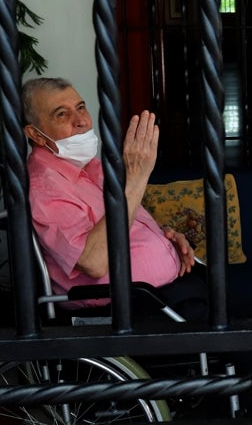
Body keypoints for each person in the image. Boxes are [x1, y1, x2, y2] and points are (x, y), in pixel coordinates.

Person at [22, 77, 208, 321]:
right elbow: (94, 262)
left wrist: (167, 240)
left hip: (171, 290)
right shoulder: (44, 186)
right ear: (36, 134)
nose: (81, 121)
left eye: (80, 107)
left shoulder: (91, 168)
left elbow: (124, 224)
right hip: (132, 307)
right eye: (61, 114)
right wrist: (136, 179)